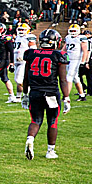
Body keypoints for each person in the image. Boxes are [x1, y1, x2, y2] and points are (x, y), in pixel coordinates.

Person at [22, 28, 71, 160]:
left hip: (35, 92)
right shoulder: (58, 55)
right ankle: (50, 151)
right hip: (51, 93)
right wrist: (66, 98)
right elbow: (63, 80)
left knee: (35, 120)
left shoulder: (31, 53)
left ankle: (30, 139)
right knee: (52, 122)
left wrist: (25, 94)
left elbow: (26, 77)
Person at [12, 23, 37, 102]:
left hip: (24, 61)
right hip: (16, 60)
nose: (21, 31)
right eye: (20, 29)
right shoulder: (17, 37)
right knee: (18, 80)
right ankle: (19, 97)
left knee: (19, 79)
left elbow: (33, 49)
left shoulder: (29, 37)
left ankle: (28, 93)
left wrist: (27, 57)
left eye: (23, 29)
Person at [63, 24, 89, 101]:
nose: (73, 32)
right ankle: (82, 95)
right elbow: (65, 48)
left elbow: (85, 51)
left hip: (76, 60)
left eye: (74, 30)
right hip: (68, 59)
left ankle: (66, 96)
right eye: (71, 31)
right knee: (75, 78)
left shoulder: (81, 38)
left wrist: (83, 62)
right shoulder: (68, 37)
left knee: (69, 77)